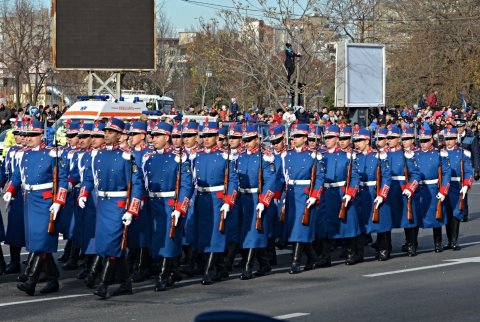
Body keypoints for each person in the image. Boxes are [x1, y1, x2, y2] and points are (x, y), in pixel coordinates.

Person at [78, 117, 143, 298]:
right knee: (107, 244)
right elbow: (89, 178)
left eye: (111, 132)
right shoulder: (96, 155)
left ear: (119, 135)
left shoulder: (126, 156)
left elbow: (136, 184)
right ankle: (125, 282)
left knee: (113, 243)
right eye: (105, 132)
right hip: (102, 203)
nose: (106, 135)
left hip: (118, 204)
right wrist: (83, 193)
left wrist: (132, 209)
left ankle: (104, 284)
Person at [3, 117, 68, 296]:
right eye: (27, 135)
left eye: (32, 134)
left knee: (42, 239)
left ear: (42, 135)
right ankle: (52, 278)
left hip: (46, 201)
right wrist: (11, 190)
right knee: (36, 241)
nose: (28, 138)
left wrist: (58, 201)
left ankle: (31, 280)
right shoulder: (23, 154)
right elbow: (16, 176)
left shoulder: (52, 154)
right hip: (29, 200)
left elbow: (62, 180)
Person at [142, 121, 193, 291]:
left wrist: (180, 208)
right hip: (152, 202)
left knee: (168, 239)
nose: (153, 139)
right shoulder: (149, 157)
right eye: (153, 136)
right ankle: (171, 270)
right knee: (155, 239)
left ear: (167, 137)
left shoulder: (179, 158)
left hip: (169, 202)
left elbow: (186, 185)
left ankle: (164, 274)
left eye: (157, 136)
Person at [193, 120, 238, 285]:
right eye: (204, 136)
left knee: (215, 234)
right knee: (204, 235)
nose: (206, 139)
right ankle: (221, 268)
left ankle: (209, 270)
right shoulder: (196, 156)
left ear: (217, 137)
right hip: (201, 198)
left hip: (217, 199)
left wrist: (228, 201)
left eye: (210, 136)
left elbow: (233, 181)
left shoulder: (225, 156)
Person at [282, 124, 325, 273]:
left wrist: (314, 196)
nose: (295, 139)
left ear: (305, 138)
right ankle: (313, 257)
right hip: (291, 194)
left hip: (305, 194)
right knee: (295, 228)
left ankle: (295, 261)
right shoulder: (287, 155)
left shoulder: (313, 155)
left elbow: (319, 178)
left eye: (298, 136)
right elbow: (283, 177)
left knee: (300, 228)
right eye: (294, 136)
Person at [236, 125, 277, 280]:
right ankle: (264, 263)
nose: (246, 143)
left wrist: (264, 201)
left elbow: (270, 181)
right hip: (242, 198)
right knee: (246, 232)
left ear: (257, 139)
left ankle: (248, 267)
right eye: (244, 140)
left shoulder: (265, 157)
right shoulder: (240, 157)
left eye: (249, 140)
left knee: (254, 233)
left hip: (256, 197)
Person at [317, 124, 361, 266]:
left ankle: (350, 253)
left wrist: (349, 194)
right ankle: (325, 257)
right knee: (325, 225)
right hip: (326, 193)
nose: (327, 140)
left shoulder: (346, 156)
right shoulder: (320, 156)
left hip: (341, 192)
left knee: (346, 224)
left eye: (330, 138)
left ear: (337, 139)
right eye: (326, 138)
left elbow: (354, 178)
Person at [353, 129, 392, 260]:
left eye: (359, 141)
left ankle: (383, 249)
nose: (357, 143)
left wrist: (382, 194)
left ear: (367, 141)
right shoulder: (355, 156)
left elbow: (386, 176)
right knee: (359, 223)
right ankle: (358, 253)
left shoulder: (379, 156)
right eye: (356, 141)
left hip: (375, 191)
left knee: (380, 222)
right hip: (360, 192)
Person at [416, 127, 451, 253]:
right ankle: (412, 243)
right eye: (421, 141)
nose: (423, 143)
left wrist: (443, 190)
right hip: (419, 189)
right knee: (416, 216)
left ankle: (438, 243)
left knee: (436, 217)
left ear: (431, 140)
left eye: (426, 140)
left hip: (433, 188)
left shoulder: (438, 154)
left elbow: (446, 173)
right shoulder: (415, 154)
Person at [388, 125, 421, 256]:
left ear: (399, 139)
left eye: (392, 138)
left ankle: (411, 244)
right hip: (389, 190)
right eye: (388, 138)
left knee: (408, 218)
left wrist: (410, 188)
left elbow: (416, 174)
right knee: (387, 219)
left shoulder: (406, 155)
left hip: (403, 190)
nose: (389, 140)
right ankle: (386, 246)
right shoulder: (382, 154)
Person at [126, 121, 152, 283]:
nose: (130, 137)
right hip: (131, 198)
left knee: (143, 233)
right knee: (132, 232)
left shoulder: (149, 153)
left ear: (142, 135)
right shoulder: (128, 152)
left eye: (134, 134)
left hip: (146, 198)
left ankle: (143, 265)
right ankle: (132, 262)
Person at [2, 119, 26, 275]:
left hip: (30, 193)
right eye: (17, 134)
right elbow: (4, 171)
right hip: (15, 194)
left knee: (35, 231)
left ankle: (39, 262)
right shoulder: (11, 151)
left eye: (22, 134)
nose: (19, 137)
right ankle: (15, 261)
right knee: (14, 229)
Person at [443, 127, 473, 250]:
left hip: (456, 185)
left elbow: (468, 171)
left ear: (456, 139)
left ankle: (454, 241)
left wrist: (466, 185)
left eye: (451, 138)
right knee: (447, 213)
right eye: (447, 139)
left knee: (456, 212)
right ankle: (449, 241)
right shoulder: (440, 153)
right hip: (444, 186)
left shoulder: (463, 153)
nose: (449, 141)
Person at [455, 118, 480, 222]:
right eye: (457, 127)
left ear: (464, 126)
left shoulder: (471, 138)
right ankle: (455, 211)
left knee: (463, 190)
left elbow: (476, 153)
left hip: (467, 168)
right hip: (454, 168)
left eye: (460, 126)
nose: (459, 129)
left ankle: (464, 213)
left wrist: (477, 169)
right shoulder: (452, 137)